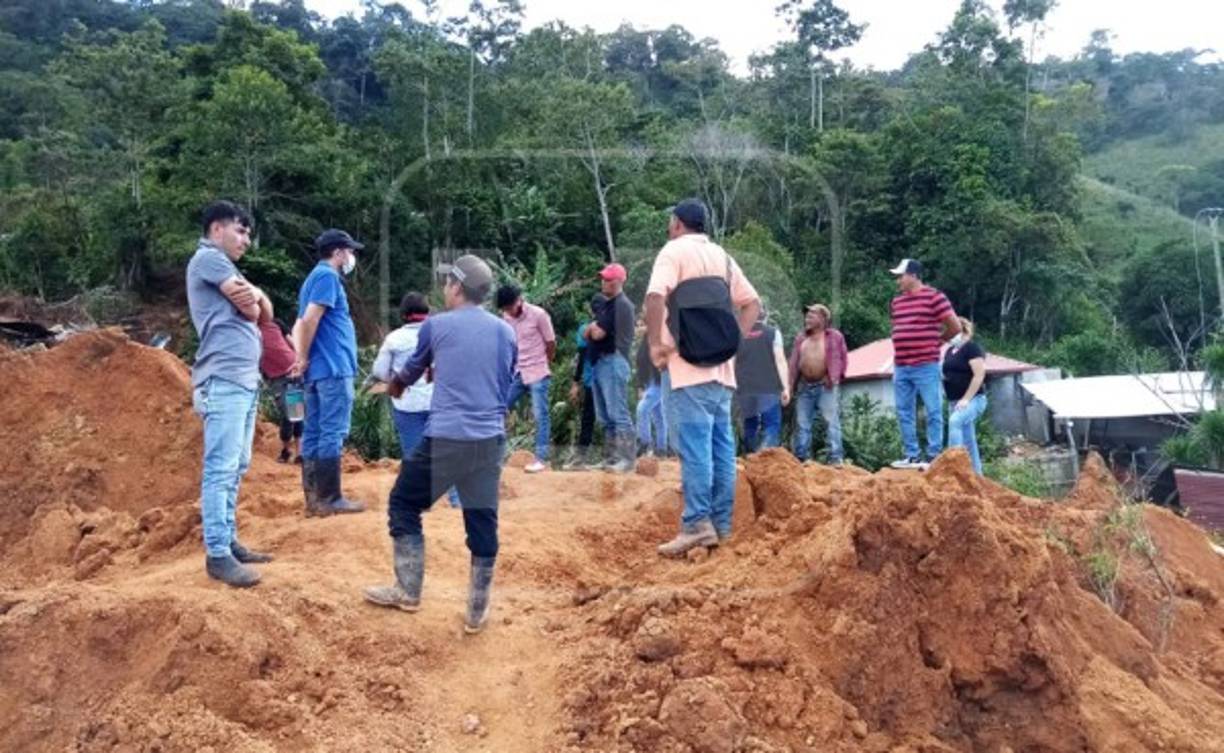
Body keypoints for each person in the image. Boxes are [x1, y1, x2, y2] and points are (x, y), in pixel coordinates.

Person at [363, 255, 516, 635]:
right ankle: (477, 610)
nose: (444, 289)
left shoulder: (437, 326)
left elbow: (411, 372)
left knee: (403, 502)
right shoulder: (505, 331)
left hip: (447, 437)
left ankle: (407, 590)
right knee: (481, 516)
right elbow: (505, 379)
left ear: (457, 288)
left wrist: (393, 386)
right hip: (489, 439)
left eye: (448, 283)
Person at [646, 198, 760, 556]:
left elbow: (654, 296)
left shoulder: (674, 251)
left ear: (678, 223)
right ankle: (721, 526)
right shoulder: (722, 257)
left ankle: (696, 524)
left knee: (695, 450)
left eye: (671, 222)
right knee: (721, 450)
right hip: (721, 372)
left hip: (686, 368)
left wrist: (654, 345)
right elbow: (751, 302)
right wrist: (734, 342)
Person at [186, 200, 274, 588]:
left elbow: (265, 311)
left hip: (241, 380)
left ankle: (228, 540)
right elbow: (256, 312)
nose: (246, 240)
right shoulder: (207, 259)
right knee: (220, 467)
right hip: (222, 379)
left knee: (236, 465)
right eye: (241, 231)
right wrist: (254, 300)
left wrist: (253, 294)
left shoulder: (228, 269)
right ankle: (217, 553)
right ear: (217, 229)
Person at [291, 229, 367, 517]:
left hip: (318, 368)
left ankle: (314, 499)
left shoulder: (313, 278)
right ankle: (330, 498)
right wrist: (301, 356)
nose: (351, 257)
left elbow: (301, 323)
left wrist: (302, 357)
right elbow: (310, 320)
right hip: (333, 367)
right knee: (332, 431)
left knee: (314, 431)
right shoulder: (327, 277)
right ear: (337, 252)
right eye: (349, 251)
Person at [887, 258, 961, 469]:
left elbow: (954, 326)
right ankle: (912, 455)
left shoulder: (935, 297)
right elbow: (898, 327)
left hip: (925, 364)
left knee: (933, 410)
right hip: (901, 364)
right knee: (903, 411)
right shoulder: (897, 302)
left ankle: (933, 455)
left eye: (901, 276)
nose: (898, 280)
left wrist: (936, 342)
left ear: (914, 275)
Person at [496, 285, 556, 473]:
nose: (508, 312)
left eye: (510, 307)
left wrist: (545, 362)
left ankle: (541, 458)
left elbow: (551, 342)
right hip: (518, 371)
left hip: (538, 370)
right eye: (505, 309)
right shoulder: (506, 318)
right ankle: (494, 456)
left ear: (518, 300)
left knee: (540, 415)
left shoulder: (538, 315)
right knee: (499, 408)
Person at [585, 263, 636, 472]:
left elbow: (596, 333)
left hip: (613, 360)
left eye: (608, 279)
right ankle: (611, 458)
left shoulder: (621, 305)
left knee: (618, 414)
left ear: (619, 281)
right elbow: (591, 331)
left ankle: (627, 459)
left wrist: (590, 328)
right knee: (605, 417)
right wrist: (591, 329)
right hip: (602, 361)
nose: (604, 282)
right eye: (603, 278)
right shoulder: (609, 304)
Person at [787, 303, 847, 464]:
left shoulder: (834, 336)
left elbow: (842, 359)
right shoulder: (801, 338)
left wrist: (833, 377)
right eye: (807, 315)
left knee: (831, 422)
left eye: (812, 315)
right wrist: (789, 386)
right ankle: (802, 457)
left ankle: (836, 458)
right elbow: (793, 364)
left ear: (823, 318)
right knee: (802, 423)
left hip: (825, 386)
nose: (807, 318)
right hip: (805, 387)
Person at [735, 309, 790, 453]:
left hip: (745, 388)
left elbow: (732, 361)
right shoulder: (772, 333)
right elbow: (780, 360)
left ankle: (751, 458)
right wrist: (786, 387)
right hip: (769, 387)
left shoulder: (738, 334)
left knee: (750, 424)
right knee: (771, 423)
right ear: (765, 317)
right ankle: (765, 457)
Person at [563, 294, 603, 470]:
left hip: (590, 380)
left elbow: (580, 358)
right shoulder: (609, 327)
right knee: (611, 417)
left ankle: (581, 458)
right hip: (604, 379)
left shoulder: (584, 329)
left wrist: (575, 382)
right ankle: (616, 457)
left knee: (588, 418)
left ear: (591, 309)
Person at [944, 317, 989, 474]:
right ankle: (978, 475)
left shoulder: (972, 348)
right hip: (954, 401)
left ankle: (954, 464)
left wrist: (966, 399)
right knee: (969, 440)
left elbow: (979, 375)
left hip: (974, 399)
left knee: (955, 421)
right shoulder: (949, 351)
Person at [258, 318, 303, 464]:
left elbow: (291, 340)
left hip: (293, 371)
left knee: (296, 411)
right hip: (276, 378)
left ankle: (297, 452)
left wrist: (299, 360)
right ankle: (287, 449)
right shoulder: (247, 329)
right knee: (288, 411)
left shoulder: (276, 323)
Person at [635, 326, 668, 456]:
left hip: (660, 381)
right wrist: (641, 386)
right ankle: (661, 449)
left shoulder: (659, 336)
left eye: (640, 325)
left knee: (642, 409)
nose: (637, 328)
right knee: (658, 416)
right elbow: (640, 365)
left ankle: (645, 442)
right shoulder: (645, 342)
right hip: (650, 381)